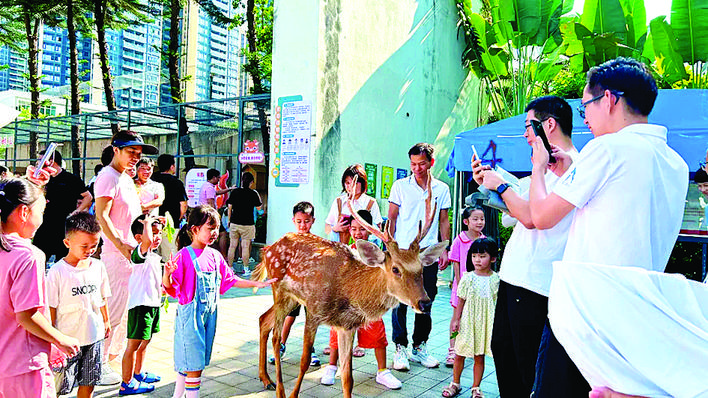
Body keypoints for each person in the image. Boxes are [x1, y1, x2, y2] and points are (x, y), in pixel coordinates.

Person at [528, 58, 697, 397]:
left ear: (609, 99)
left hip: (585, 312)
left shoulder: (608, 148)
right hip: (638, 314)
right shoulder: (675, 164)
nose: (585, 117)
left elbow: (542, 216)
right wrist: (574, 170)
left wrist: (538, 166)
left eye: (586, 105)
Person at [472, 95, 578, 397]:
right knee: (503, 352)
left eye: (527, 126)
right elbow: (520, 206)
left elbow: (532, 216)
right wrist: (492, 180)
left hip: (536, 284)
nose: (524, 134)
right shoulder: (546, 166)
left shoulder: (573, 167)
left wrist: (500, 186)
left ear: (549, 124)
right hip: (514, 277)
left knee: (525, 364)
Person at [163, 205, 275, 398]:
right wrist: (167, 274)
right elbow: (170, 287)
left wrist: (257, 283)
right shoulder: (183, 256)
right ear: (195, 229)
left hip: (209, 318)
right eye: (210, 227)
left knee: (190, 361)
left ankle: (177, 396)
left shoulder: (215, 256)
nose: (214, 232)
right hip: (190, 320)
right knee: (194, 366)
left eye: (216, 228)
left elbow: (231, 280)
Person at [0, 176, 80, 397]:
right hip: (23, 366)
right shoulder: (28, 256)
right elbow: (27, 316)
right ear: (24, 213)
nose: (43, 219)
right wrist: (61, 339)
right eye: (42, 212)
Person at [94, 130, 158, 385]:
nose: (135, 158)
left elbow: (129, 215)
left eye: (138, 154)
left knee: (126, 313)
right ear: (116, 150)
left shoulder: (124, 178)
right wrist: (121, 245)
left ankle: (114, 359)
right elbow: (102, 215)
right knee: (114, 311)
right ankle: (100, 364)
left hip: (133, 255)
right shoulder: (108, 176)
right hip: (118, 256)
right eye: (131, 152)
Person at [320, 209, 402, 389]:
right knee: (336, 333)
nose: (358, 233)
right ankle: (332, 366)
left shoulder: (377, 254)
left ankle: (382, 371)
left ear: (371, 230)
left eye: (363, 229)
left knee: (377, 333)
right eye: (354, 229)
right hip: (346, 303)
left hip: (371, 303)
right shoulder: (345, 251)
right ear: (349, 230)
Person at [388, 143, 451, 371]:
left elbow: (444, 220)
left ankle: (420, 345)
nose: (417, 168)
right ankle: (400, 347)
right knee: (399, 301)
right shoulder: (400, 186)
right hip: (403, 253)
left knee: (427, 298)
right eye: (413, 164)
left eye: (422, 164)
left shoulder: (442, 188)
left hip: (427, 253)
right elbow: (392, 218)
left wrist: (445, 248)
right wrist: (391, 249)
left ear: (431, 163)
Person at [47, 211, 111, 398]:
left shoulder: (98, 266)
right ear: (68, 243)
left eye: (94, 245)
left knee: (89, 382)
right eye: (84, 246)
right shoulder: (57, 272)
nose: (90, 250)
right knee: (61, 386)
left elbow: (103, 297)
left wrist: (106, 321)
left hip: (94, 336)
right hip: (66, 340)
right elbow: (51, 307)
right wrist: (53, 338)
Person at [442, 237, 499, 398]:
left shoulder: (496, 280)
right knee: (459, 353)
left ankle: (476, 387)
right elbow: (461, 300)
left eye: (482, 256)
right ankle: (455, 383)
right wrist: (456, 319)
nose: (477, 260)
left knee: (479, 356)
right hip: (467, 321)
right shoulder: (467, 277)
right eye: (474, 256)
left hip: (485, 323)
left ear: (492, 258)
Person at [269, 201, 321, 366]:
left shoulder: (317, 243)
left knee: (311, 319)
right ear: (293, 221)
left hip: (311, 290)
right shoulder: (289, 241)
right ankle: (281, 345)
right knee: (289, 317)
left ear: (313, 220)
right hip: (292, 288)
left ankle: (309, 350)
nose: (303, 225)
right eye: (299, 221)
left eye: (306, 221)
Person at [119, 214, 166, 395]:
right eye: (153, 233)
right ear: (140, 238)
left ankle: (138, 373)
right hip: (140, 306)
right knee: (133, 345)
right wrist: (146, 223)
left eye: (159, 233)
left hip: (152, 305)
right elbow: (146, 242)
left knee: (145, 342)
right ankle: (126, 383)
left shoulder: (153, 257)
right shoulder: (140, 253)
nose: (157, 237)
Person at [33, 149, 93, 261]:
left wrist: (77, 211)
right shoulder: (43, 179)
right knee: (38, 257)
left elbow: (88, 196)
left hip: (64, 225)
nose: (38, 164)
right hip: (45, 224)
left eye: (41, 160)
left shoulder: (71, 179)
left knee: (64, 260)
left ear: (51, 161)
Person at [445, 205, 485, 367]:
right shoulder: (459, 240)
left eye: (482, 219)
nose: (479, 222)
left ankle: (467, 348)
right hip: (461, 288)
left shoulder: (484, 240)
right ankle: (452, 350)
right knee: (457, 319)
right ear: (466, 221)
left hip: (479, 288)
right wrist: (461, 285)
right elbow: (455, 263)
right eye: (475, 219)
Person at [324, 164, 383, 244]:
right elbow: (327, 228)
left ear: (363, 183)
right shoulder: (339, 202)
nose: (351, 187)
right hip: (342, 250)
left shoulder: (371, 203)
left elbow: (378, 229)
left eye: (354, 183)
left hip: (363, 251)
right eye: (347, 183)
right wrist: (335, 228)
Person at [226, 171, 262, 272]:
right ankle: (246, 269)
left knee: (232, 246)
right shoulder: (253, 193)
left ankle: (230, 268)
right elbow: (259, 209)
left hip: (234, 222)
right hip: (248, 224)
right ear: (251, 182)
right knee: (245, 247)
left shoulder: (235, 192)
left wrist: (229, 220)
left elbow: (229, 207)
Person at [151, 154, 188, 224]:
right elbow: (183, 204)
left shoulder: (152, 180)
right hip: (172, 220)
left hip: (154, 219)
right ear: (172, 167)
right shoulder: (177, 183)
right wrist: (178, 218)